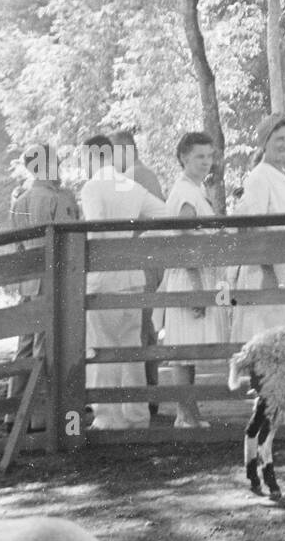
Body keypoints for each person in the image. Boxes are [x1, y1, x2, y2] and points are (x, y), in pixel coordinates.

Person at [79, 134, 168, 431]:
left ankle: (107, 418)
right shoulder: (131, 186)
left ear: (93, 155)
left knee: (103, 348)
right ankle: (137, 414)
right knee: (131, 349)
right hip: (133, 276)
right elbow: (165, 215)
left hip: (104, 279)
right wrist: (137, 244)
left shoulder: (92, 188)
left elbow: (94, 232)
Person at [157, 132, 228, 429]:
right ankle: (185, 415)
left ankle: (188, 413)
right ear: (184, 158)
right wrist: (197, 289)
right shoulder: (185, 193)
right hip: (189, 276)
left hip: (198, 274)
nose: (206, 162)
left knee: (189, 350)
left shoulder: (196, 190)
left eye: (209, 156)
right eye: (199, 156)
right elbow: (186, 241)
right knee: (184, 350)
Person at [7, 142, 80, 430]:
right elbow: (69, 240)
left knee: (24, 346)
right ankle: (39, 416)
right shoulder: (59, 199)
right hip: (53, 279)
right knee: (45, 346)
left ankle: (13, 412)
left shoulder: (20, 202)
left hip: (29, 283)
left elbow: (18, 248)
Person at [229, 114, 285, 342]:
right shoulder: (259, 178)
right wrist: (267, 272)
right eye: (279, 139)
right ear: (265, 142)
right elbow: (255, 227)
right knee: (266, 334)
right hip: (268, 271)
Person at [108, 129, 167, 414]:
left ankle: (143, 397)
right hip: (147, 259)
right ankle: (147, 394)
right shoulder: (146, 175)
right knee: (144, 326)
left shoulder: (133, 178)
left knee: (138, 327)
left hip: (140, 260)